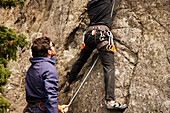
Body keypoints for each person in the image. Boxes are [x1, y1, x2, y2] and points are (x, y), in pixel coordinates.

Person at [64, 0, 127, 110]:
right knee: (108, 66)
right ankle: (110, 101)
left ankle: (68, 82)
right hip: (101, 34)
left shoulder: (90, 4)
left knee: (81, 60)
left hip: (89, 35)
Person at [24, 36, 68, 113]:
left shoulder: (31, 69)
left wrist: (58, 108)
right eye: (52, 45)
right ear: (49, 52)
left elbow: (37, 98)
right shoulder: (49, 69)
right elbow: (51, 97)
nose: (54, 47)